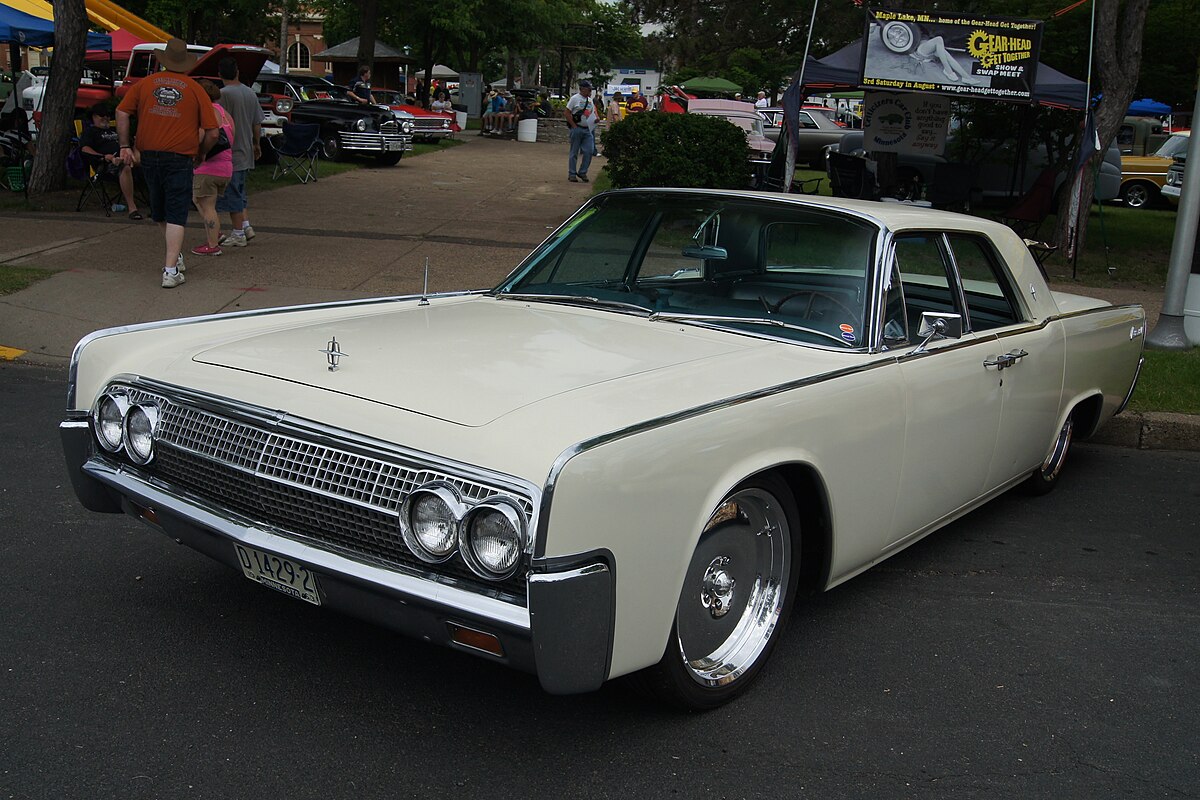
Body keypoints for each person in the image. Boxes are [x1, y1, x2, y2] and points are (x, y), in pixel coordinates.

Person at [117, 37, 218, 289]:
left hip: (149, 155)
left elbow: (121, 111)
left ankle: (175, 258)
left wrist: (124, 145)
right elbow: (213, 132)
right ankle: (171, 269)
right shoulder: (195, 89)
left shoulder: (145, 84)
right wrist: (201, 152)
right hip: (180, 157)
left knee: (160, 210)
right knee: (176, 212)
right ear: (185, 63)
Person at [216, 56, 261, 248]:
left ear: (219, 74)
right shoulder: (250, 92)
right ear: (237, 72)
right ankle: (245, 225)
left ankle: (237, 233)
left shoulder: (223, 94)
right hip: (246, 148)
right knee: (240, 190)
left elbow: (219, 121)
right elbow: (257, 121)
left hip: (230, 151)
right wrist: (256, 143)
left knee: (232, 192)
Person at [191, 80, 234, 256]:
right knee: (198, 199)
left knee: (207, 205)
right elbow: (232, 139)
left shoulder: (206, 113)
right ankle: (215, 232)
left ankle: (212, 244)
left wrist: (199, 153)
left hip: (208, 167)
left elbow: (204, 134)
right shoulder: (225, 114)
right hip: (226, 165)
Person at [78, 103, 141, 219]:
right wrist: (104, 156)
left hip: (127, 158)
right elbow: (85, 149)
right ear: (94, 117)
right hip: (106, 165)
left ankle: (160, 205)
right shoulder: (90, 132)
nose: (106, 118)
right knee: (125, 167)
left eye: (107, 115)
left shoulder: (115, 130)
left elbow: (130, 144)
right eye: (102, 115)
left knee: (152, 163)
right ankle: (132, 209)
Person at [564, 79, 597, 182]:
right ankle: (572, 173)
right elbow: (567, 112)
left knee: (589, 151)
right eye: (588, 89)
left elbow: (592, 112)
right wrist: (573, 125)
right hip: (577, 127)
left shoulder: (590, 100)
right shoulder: (575, 99)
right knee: (574, 152)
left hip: (587, 129)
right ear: (582, 89)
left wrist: (596, 118)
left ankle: (583, 172)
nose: (590, 92)